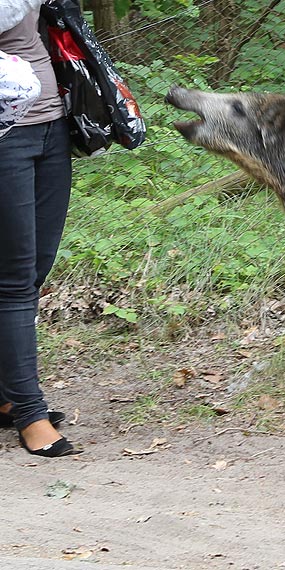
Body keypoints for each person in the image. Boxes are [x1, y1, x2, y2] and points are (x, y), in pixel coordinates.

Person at [0, 0, 80, 457]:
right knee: (13, 278)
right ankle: (30, 412)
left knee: (36, 267)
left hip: (51, 123)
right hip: (5, 132)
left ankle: (6, 395)